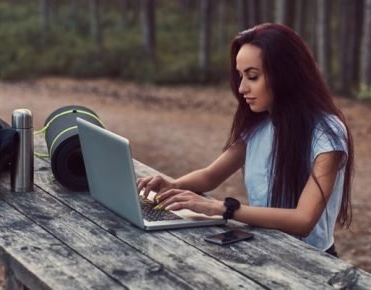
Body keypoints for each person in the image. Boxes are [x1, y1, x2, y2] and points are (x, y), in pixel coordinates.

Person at [136, 23, 354, 257]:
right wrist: (173, 186)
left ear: (287, 74)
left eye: (252, 76)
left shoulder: (326, 133)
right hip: (262, 248)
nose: (241, 88)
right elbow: (211, 176)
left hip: (311, 260)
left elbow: (303, 219)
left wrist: (221, 209)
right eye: (240, 76)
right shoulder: (259, 124)